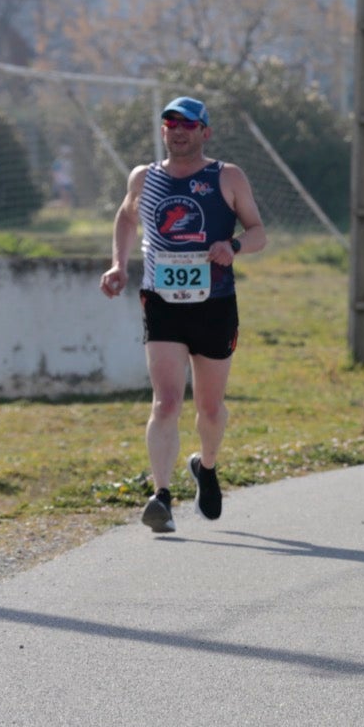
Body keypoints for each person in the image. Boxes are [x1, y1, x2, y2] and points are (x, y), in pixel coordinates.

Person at [98, 96, 266, 533]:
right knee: (167, 401)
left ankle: (206, 467)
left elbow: (258, 231)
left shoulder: (226, 176)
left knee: (210, 409)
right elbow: (125, 216)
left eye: (188, 124)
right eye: (170, 123)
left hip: (214, 304)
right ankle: (161, 496)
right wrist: (119, 263)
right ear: (163, 131)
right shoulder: (145, 177)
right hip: (162, 302)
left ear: (204, 132)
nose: (178, 130)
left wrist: (234, 246)